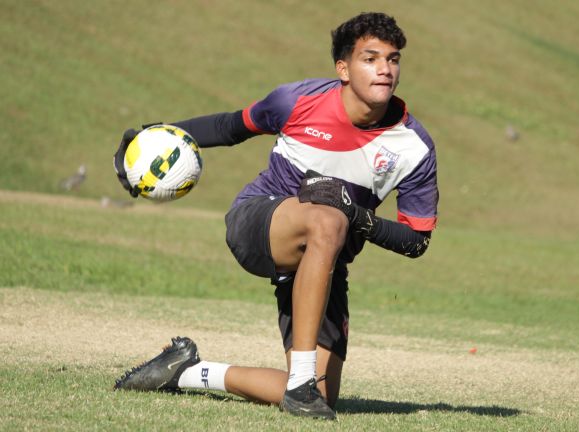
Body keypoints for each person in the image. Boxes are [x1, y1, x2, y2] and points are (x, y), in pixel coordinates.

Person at [112, 12, 439, 420]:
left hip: (324, 260)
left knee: (324, 396)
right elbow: (231, 126)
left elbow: (416, 240)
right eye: (370, 59)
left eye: (393, 59)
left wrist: (359, 216)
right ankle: (301, 383)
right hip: (258, 220)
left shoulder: (414, 148)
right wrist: (152, 137)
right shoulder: (297, 100)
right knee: (328, 220)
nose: (385, 70)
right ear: (343, 68)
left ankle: (187, 372)